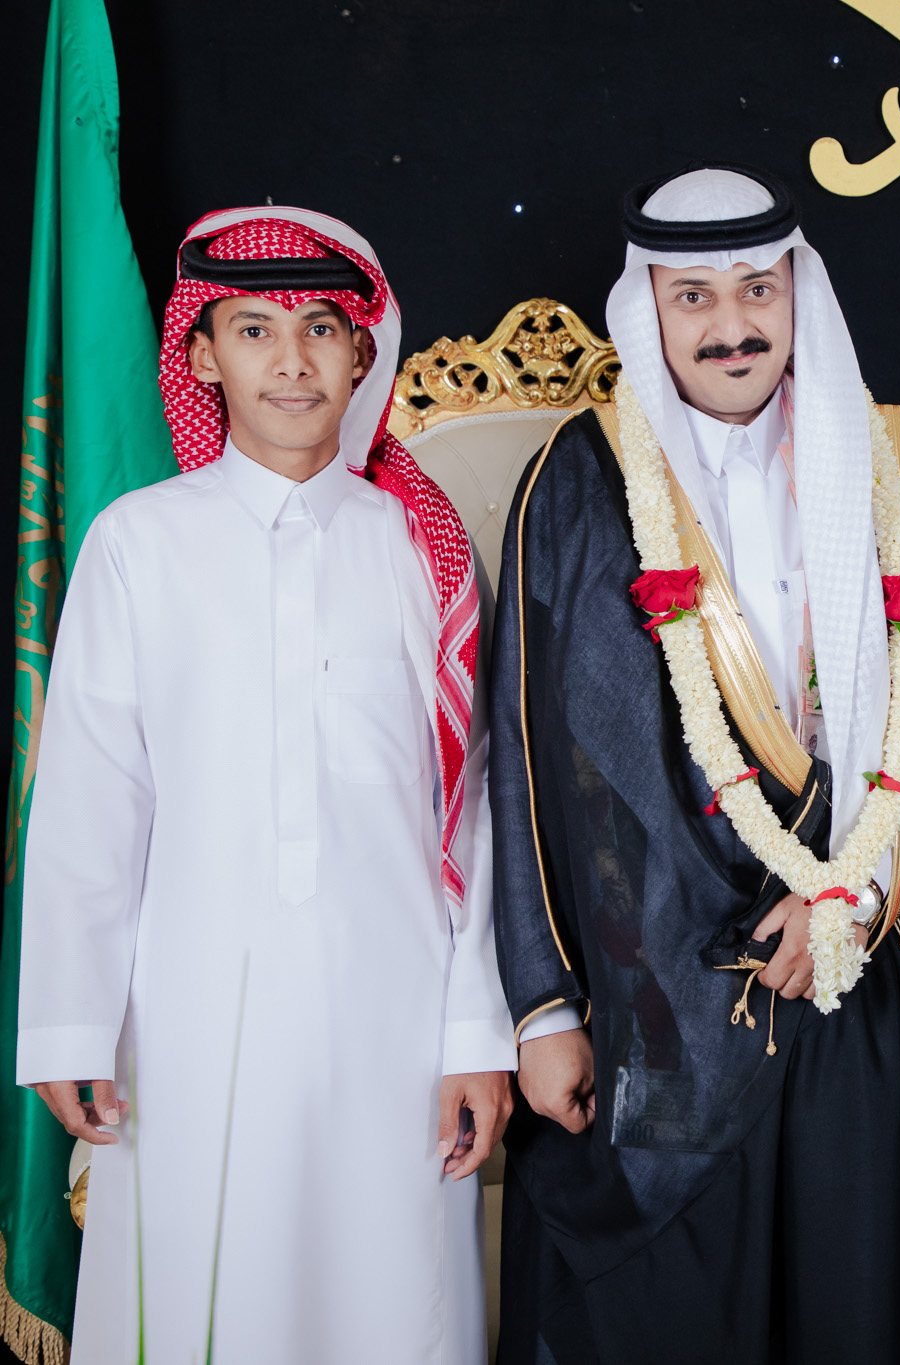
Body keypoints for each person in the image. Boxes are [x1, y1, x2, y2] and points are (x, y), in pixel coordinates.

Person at [491, 163, 900, 1364]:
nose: (732, 326)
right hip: (651, 1011)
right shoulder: (580, 475)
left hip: (853, 971)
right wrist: (543, 1006)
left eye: (757, 289)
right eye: (694, 297)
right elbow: (526, 759)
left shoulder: (898, 460)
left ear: (796, 292)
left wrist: (856, 895)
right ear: (648, 309)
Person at [13, 208, 512, 1362]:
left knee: (391, 1302)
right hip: (184, 1019)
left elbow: (476, 813)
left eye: (321, 328)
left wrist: (475, 1032)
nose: (291, 361)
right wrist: (73, 1020)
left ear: (362, 352)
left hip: (395, 1018)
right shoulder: (138, 545)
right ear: (201, 354)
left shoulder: (421, 550)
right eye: (254, 330)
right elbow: (91, 802)